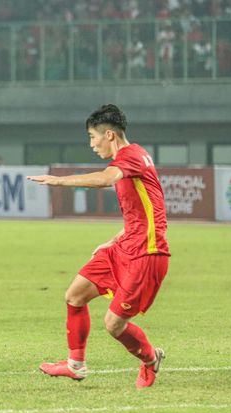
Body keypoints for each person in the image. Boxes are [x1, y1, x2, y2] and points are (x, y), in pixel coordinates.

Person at [27, 104, 170, 389]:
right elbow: (147, 211)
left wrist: (58, 180)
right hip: (125, 246)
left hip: (146, 254)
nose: (92, 145)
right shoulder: (134, 158)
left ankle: (151, 359)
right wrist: (114, 240)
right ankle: (75, 365)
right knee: (75, 295)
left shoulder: (130, 156)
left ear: (109, 135)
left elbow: (105, 179)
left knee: (114, 325)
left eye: (93, 138)